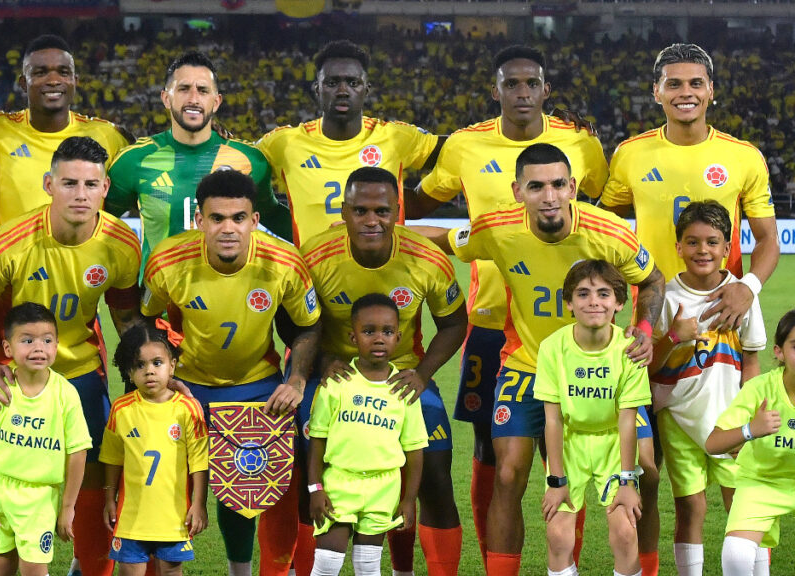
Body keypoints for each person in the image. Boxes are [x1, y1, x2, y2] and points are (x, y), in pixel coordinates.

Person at [414, 143, 664, 576]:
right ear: (517, 191)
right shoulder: (495, 228)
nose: (548, 196)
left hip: (599, 367)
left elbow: (653, 278)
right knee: (509, 474)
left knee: (643, 471)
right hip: (526, 365)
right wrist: (386, 232)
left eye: (557, 185)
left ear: (572, 187)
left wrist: (643, 329)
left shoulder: (609, 232)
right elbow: (448, 240)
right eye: (536, 186)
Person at [403, 45, 609, 565]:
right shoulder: (464, 145)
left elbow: (607, 205)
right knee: (492, 454)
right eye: (511, 84)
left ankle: (569, 561)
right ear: (494, 90)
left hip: (568, 331)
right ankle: (494, 557)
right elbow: (421, 202)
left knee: (567, 458)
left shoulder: (579, 141)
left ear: (546, 89)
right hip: (491, 321)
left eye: (531, 84)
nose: (521, 93)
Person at [599, 44, 779, 574]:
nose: (685, 93)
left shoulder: (743, 156)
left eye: (695, 83)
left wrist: (747, 285)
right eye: (673, 84)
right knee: (648, 470)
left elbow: (767, 238)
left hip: (719, 310)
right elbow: (604, 225)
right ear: (656, 92)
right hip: (646, 316)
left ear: (712, 91)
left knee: (735, 480)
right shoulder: (631, 154)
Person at [0, 136, 141, 576]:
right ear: (48, 184)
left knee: (96, 479)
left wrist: (145, 374)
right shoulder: (10, 242)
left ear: (105, 188)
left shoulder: (121, 244)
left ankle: (88, 568)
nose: (80, 194)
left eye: (90, 185)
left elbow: (126, 316)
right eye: (69, 183)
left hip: (79, 372)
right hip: (12, 376)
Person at [141, 169, 321, 576]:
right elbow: (147, 319)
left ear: (254, 221)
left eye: (238, 218)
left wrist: (296, 379)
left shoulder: (284, 262)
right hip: (187, 387)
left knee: (260, 487)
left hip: (257, 387)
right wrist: (163, 373)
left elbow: (309, 325)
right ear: (198, 221)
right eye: (216, 218)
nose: (228, 228)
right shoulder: (168, 260)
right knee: (164, 489)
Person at [300, 166, 468, 575]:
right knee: (306, 474)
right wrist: (322, 363)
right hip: (333, 377)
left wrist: (424, 375)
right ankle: (303, 565)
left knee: (436, 474)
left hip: (403, 376)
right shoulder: (315, 256)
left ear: (397, 211)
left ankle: (408, 570)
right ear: (343, 211)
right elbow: (293, 321)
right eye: (360, 210)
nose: (371, 220)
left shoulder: (426, 258)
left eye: (382, 211)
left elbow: (454, 322)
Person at [649, 201, 768, 576]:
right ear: (678, 247)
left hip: (730, 420)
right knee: (691, 508)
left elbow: (751, 360)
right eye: (693, 242)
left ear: (728, 247)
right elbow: (650, 365)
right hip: (679, 421)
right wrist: (674, 337)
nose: (703, 250)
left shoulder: (741, 296)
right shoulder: (667, 297)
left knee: (743, 506)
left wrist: (750, 415)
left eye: (713, 242)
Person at [105, 51, 292, 272]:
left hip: (227, 301)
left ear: (216, 101)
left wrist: (328, 236)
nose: (193, 98)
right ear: (166, 98)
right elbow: (98, 223)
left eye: (203, 90)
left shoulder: (251, 161)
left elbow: (270, 214)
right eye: (183, 89)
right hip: (159, 302)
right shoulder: (133, 161)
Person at [256, 40, 441, 249]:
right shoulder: (285, 143)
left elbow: (458, 150)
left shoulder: (394, 137)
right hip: (315, 277)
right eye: (332, 83)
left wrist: (419, 199)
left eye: (353, 83)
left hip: (385, 275)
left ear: (366, 90)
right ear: (317, 89)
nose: (343, 91)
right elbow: (238, 157)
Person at [536, 260, 650, 576]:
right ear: (569, 303)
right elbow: (553, 420)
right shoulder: (552, 348)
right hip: (571, 443)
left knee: (625, 533)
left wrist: (628, 480)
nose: (594, 302)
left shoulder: (630, 349)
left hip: (613, 442)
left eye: (603, 293)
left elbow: (628, 420)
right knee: (557, 534)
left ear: (619, 303)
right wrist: (556, 481)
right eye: (583, 294)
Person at [306, 293, 427, 576]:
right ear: (353, 337)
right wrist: (315, 489)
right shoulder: (336, 384)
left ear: (398, 337)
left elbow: (415, 450)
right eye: (368, 331)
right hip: (339, 483)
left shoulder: (405, 390)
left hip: (383, 488)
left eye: (387, 332)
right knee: (326, 564)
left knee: (368, 566)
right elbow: (317, 442)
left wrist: (409, 499)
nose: (378, 339)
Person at [0, 303, 91, 576]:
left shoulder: (66, 395)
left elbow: (78, 453)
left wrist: (68, 507)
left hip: (40, 499)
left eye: (47, 340)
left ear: (57, 345)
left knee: (34, 568)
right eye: (27, 340)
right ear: (8, 348)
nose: (39, 348)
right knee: (0, 567)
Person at [0, 34, 134, 229]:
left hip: (83, 259)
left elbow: (131, 198)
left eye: (63, 72)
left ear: (75, 81)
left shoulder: (110, 137)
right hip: (11, 258)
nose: (54, 80)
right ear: (23, 83)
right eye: (41, 73)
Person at [101, 323, 209, 576]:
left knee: (171, 571)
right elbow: (113, 458)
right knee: (130, 571)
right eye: (140, 365)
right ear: (129, 371)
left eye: (157, 363)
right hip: (131, 517)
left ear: (172, 365)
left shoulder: (188, 409)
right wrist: (108, 498)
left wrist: (199, 503)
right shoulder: (121, 409)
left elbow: (199, 461)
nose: (149, 371)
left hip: (173, 517)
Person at [706, 309, 795, 576]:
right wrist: (750, 430)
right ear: (778, 352)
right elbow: (713, 444)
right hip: (762, 481)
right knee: (736, 555)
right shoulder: (759, 389)